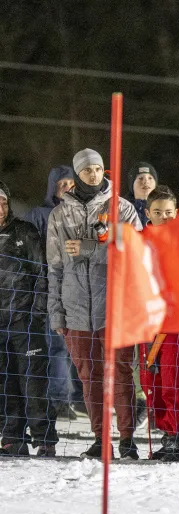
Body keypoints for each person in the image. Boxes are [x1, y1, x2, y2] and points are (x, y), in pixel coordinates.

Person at [46, 148, 142, 459]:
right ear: (77, 173)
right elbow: (55, 267)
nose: (94, 174)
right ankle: (101, 438)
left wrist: (92, 249)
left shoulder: (122, 208)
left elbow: (137, 254)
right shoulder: (60, 214)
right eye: (87, 170)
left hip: (116, 308)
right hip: (76, 310)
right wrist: (56, 313)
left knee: (121, 372)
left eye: (99, 169)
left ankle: (127, 438)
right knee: (89, 376)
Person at [0, 181, 57, 456]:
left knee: (33, 381)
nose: (0, 209)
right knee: (6, 382)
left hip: (25, 321)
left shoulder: (25, 232)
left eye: (2, 202)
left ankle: (45, 438)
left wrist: (37, 313)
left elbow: (42, 273)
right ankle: (12, 436)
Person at [139, 186, 179, 461]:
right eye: (158, 213)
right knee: (150, 378)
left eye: (169, 213)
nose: (164, 218)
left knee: (173, 379)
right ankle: (166, 432)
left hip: (177, 322)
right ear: (148, 213)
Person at [27, 166, 80, 419]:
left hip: (77, 290)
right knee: (51, 345)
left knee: (71, 347)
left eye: (72, 183)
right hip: (47, 288)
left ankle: (72, 397)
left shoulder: (81, 214)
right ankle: (55, 399)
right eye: (63, 184)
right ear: (53, 187)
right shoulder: (40, 215)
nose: (68, 188)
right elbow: (30, 250)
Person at [127, 161, 158, 227]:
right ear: (132, 184)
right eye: (140, 178)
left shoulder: (166, 207)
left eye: (150, 178)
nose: (146, 181)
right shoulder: (124, 209)